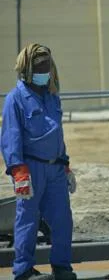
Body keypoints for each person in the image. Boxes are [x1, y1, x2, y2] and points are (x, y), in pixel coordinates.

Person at [1, 44, 77, 280]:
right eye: (40, 67)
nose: (45, 71)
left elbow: (57, 134)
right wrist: (18, 172)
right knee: (28, 220)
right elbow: (10, 137)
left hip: (55, 168)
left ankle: (62, 266)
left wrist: (65, 165)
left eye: (47, 66)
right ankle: (23, 270)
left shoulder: (52, 95)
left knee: (63, 219)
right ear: (27, 70)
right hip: (30, 169)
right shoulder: (16, 99)